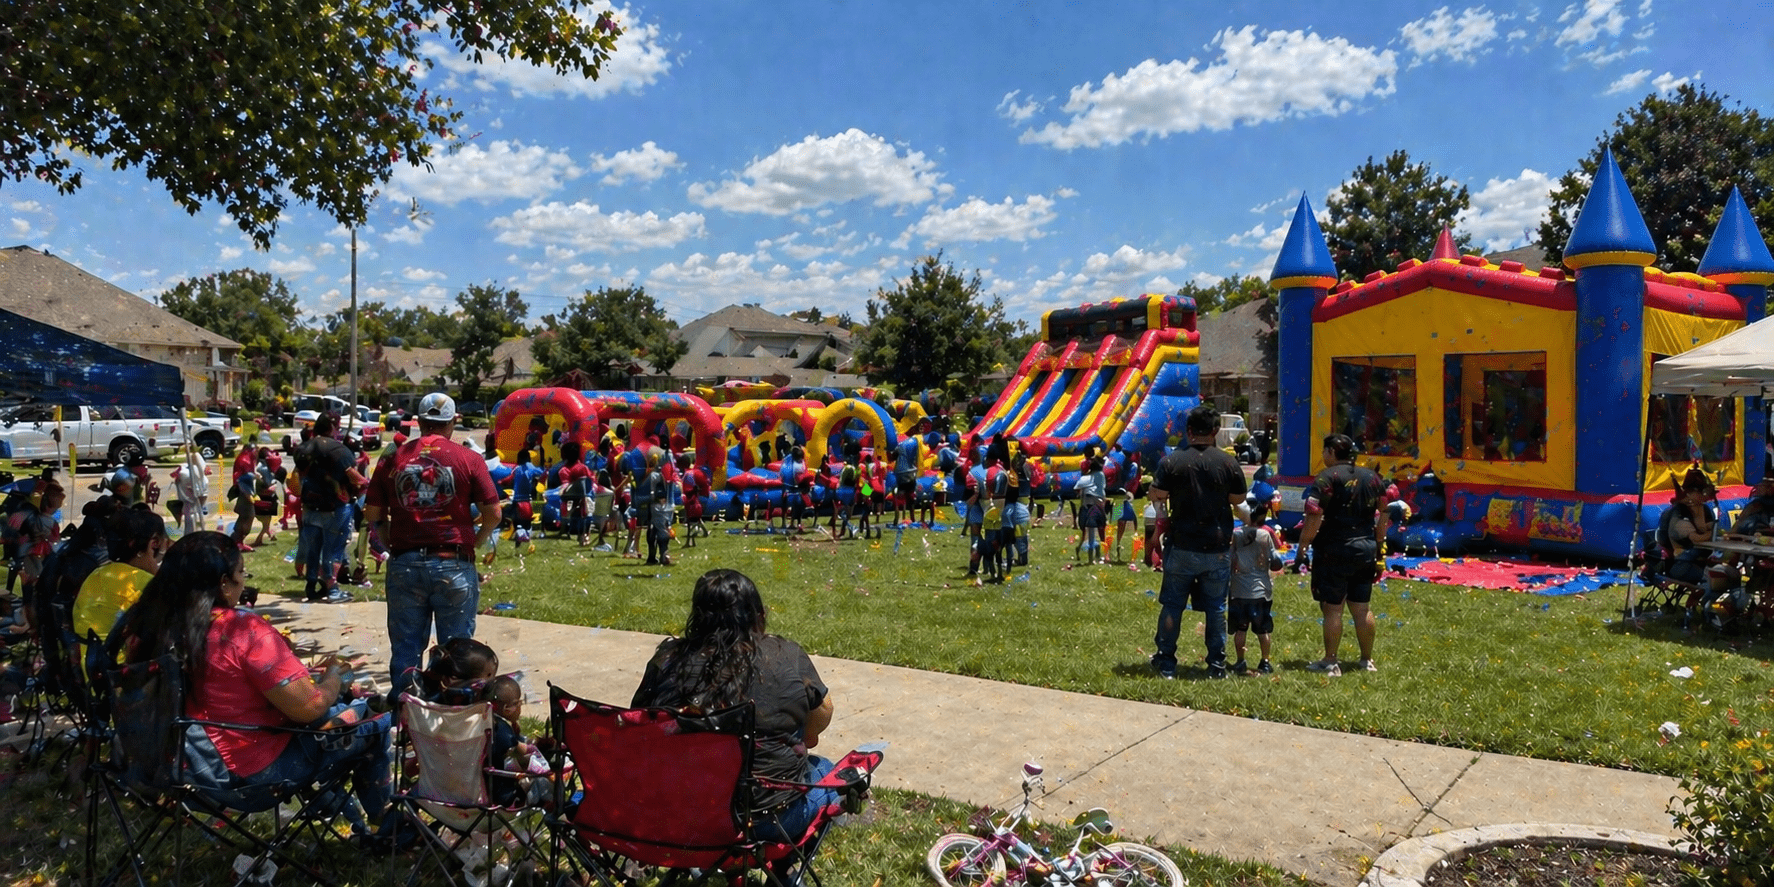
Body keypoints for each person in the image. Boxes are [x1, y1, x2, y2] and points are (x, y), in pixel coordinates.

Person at [113, 532, 393, 839]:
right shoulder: (240, 629)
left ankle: (340, 812)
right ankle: (386, 829)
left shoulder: (147, 625)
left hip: (175, 769)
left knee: (329, 722)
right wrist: (334, 678)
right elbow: (309, 707)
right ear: (223, 583)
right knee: (374, 719)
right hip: (249, 778)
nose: (243, 582)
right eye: (241, 573)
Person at [631, 569, 837, 873]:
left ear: (697, 616)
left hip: (681, 814)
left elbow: (639, 725)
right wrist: (807, 736)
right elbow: (823, 712)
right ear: (758, 614)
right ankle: (783, 868)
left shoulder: (669, 659)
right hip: (768, 819)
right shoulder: (785, 655)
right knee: (826, 770)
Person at [364, 393, 501, 695]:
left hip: (405, 562)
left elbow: (373, 513)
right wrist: (476, 541)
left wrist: (389, 541)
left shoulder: (393, 457)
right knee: (458, 653)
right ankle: (449, 712)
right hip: (454, 563)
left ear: (419, 421)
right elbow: (493, 513)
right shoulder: (469, 458)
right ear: (452, 422)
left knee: (406, 647)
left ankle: (406, 711)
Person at [1146, 405, 1247, 680]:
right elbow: (1238, 499)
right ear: (1215, 431)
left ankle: (1166, 661)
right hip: (1216, 546)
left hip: (1181, 544)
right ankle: (1216, 665)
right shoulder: (1228, 463)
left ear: (1188, 431)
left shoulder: (1173, 461)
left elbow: (1157, 493)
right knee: (1216, 608)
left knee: (1173, 605)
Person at [1293, 433, 1392, 677]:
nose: (1323, 455)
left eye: (1324, 451)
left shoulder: (1326, 477)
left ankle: (1330, 661)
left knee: (1333, 608)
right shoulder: (1372, 477)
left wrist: (1303, 545)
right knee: (1361, 608)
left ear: (1331, 452)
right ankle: (1366, 660)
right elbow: (1385, 510)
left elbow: (1314, 514)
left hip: (1334, 549)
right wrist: (1379, 542)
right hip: (1366, 547)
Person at [294, 413, 365, 603]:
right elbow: (353, 477)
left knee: (313, 550)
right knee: (333, 550)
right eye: (338, 426)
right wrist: (367, 483)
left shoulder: (302, 449)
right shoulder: (339, 450)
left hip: (310, 507)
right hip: (335, 508)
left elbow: (297, 478)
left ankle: (311, 586)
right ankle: (332, 589)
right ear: (333, 427)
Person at [73, 508, 168, 643]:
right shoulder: (147, 584)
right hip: (121, 656)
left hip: (87, 654)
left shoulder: (96, 574)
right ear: (154, 544)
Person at [480, 675, 552, 807]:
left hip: (479, 790)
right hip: (503, 795)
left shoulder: (484, 723)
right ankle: (550, 805)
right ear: (507, 709)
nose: (520, 706)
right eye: (519, 702)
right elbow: (526, 752)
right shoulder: (501, 729)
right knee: (541, 777)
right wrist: (542, 746)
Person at [1228, 500, 1281, 676]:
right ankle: (1265, 661)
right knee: (1262, 629)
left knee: (1240, 629)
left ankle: (1240, 661)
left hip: (1239, 589)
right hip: (1260, 590)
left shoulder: (1236, 534)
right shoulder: (1265, 535)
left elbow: (1229, 559)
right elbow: (1276, 561)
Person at [1072, 457, 1107, 564]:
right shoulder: (1101, 475)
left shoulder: (1085, 478)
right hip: (1099, 505)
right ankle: (1097, 553)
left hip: (1088, 506)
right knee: (1097, 530)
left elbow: (1076, 488)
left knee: (1089, 531)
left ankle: (1092, 557)